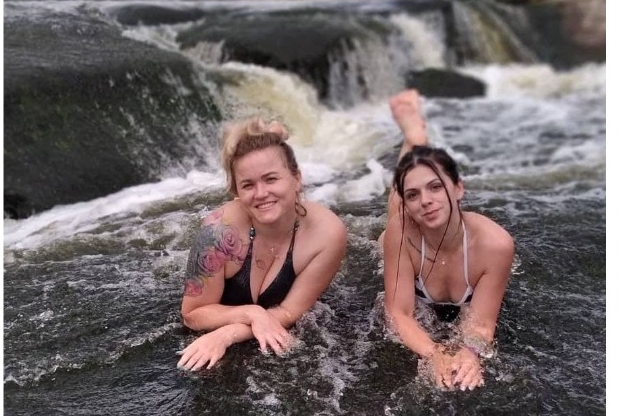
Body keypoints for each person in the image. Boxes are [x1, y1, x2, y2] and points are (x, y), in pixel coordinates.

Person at [178, 117, 347, 371]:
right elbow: (192, 314)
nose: (261, 193)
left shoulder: (327, 234)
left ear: (296, 178)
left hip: (262, 333)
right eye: (248, 185)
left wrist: (226, 335)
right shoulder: (219, 231)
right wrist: (253, 313)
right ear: (236, 191)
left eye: (271, 179)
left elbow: (289, 313)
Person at [381, 90, 515, 390]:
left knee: (408, 196)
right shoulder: (401, 231)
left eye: (436, 187)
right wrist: (435, 353)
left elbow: (481, 324)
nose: (426, 201)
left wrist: (469, 354)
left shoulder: (495, 245)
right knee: (392, 218)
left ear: (458, 188)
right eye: (414, 195)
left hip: (457, 240)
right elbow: (398, 313)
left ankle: (416, 140)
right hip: (407, 233)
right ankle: (415, 138)